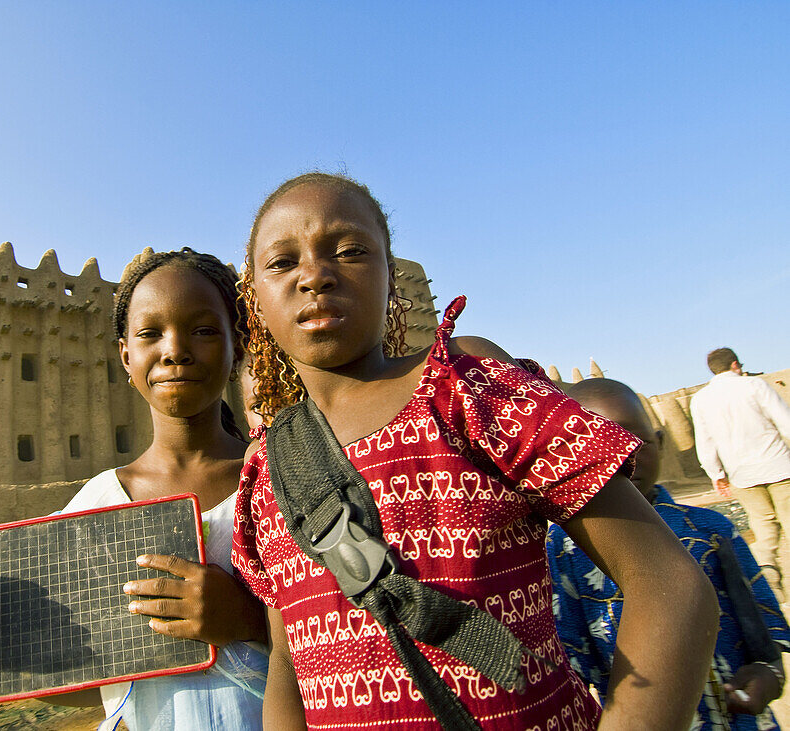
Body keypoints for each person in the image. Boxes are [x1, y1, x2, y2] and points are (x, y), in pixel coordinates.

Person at [231, 172, 719, 730]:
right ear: (255, 302)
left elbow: (670, 586)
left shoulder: (469, 392)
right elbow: (287, 676)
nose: (314, 275)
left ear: (394, 279)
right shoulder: (267, 469)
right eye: (281, 262)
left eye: (349, 250)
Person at [0, 249, 268, 731]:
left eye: (204, 330)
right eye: (150, 333)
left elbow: (353, 633)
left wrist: (249, 620)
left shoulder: (276, 477)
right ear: (126, 356)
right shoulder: (99, 504)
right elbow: (89, 676)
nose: (174, 350)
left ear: (238, 346)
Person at [548, 378, 789, 729]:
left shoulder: (711, 529)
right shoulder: (564, 549)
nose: (622, 454)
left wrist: (769, 675)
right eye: (595, 442)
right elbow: (568, 660)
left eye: (636, 441)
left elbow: (762, 627)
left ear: (660, 442)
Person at [691, 347, 790, 601]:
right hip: (779, 467)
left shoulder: (701, 400)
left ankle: (770, 582)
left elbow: (705, 441)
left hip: (741, 475)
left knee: (763, 527)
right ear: (735, 364)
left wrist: (716, 474)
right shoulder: (754, 386)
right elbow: (784, 422)